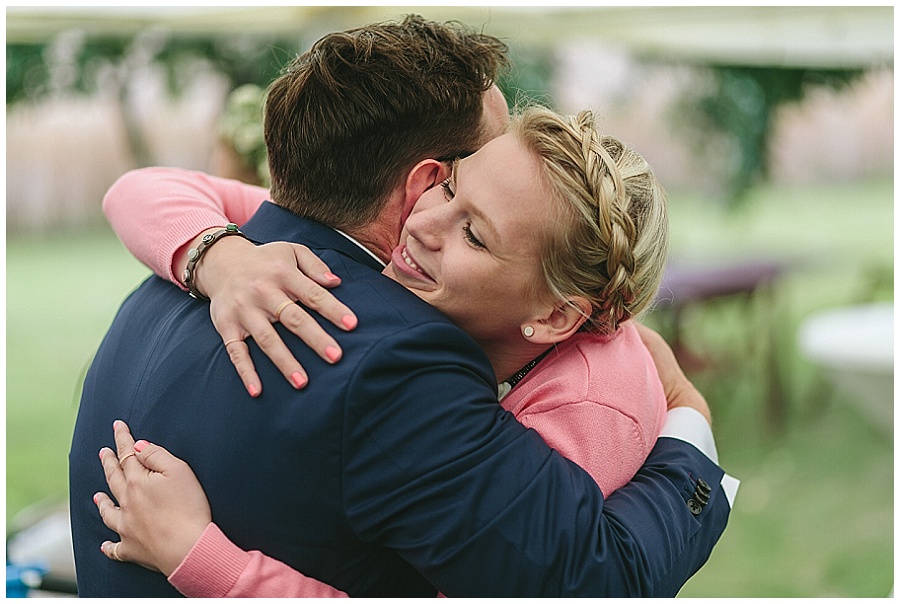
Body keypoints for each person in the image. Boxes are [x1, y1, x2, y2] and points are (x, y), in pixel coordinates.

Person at [71, 15, 732, 598]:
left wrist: (211, 254)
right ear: (428, 178)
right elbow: (595, 583)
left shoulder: (163, 289)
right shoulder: (398, 364)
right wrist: (691, 424)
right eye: (465, 179)